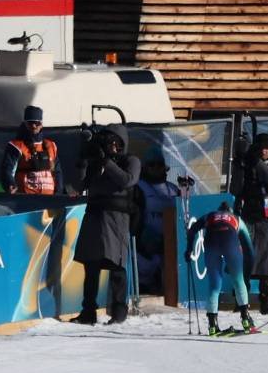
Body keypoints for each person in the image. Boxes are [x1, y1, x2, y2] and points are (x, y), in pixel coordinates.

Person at [70, 124, 141, 325]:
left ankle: (119, 313)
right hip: (94, 217)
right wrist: (84, 161)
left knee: (116, 266)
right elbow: (79, 185)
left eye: (114, 142)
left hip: (116, 220)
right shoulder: (96, 162)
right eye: (107, 142)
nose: (111, 146)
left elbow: (127, 180)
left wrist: (106, 162)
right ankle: (88, 312)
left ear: (121, 143)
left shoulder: (131, 161)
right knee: (90, 267)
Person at [185, 201, 256, 335]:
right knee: (238, 281)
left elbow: (193, 229)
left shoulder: (209, 216)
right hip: (230, 243)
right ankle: (246, 319)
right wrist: (246, 275)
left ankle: (212, 325)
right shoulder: (237, 219)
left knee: (214, 286)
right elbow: (250, 251)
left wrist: (189, 250)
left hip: (211, 244)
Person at [233, 133, 268, 315]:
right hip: (247, 215)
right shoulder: (245, 165)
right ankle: (241, 301)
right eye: (261, 148)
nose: (265, 151)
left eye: (267, 148)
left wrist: (259, 165)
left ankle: (266, 301)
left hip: (266, 215)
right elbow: (236, 188)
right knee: (242, 259)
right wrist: (242, 164)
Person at [133, 147, 179, 295]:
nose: (156, 169)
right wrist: (140, 238)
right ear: (145, 168)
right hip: (146, 248)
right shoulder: (138, 188)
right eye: (152, 165)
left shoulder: (174, 189)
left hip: (171, 244)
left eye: (159, 165)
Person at [1, 105, 64, 195]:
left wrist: (59, 193)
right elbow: (7, 169)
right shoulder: (16, 146)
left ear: (41, 124)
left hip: (50, 199)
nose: (34, 126)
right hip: (26, 199)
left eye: (37, 123)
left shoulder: (51, 146)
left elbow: (57, 172)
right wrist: (10, 184)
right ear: (25, 124)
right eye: (30, 123)